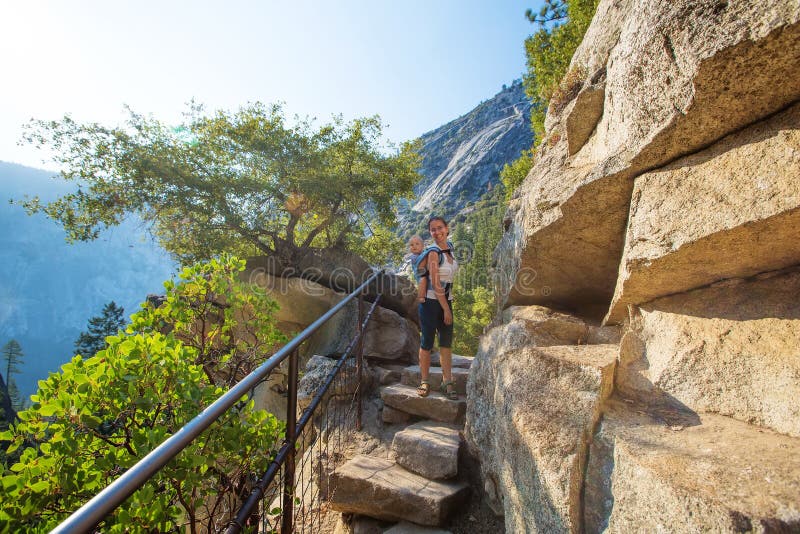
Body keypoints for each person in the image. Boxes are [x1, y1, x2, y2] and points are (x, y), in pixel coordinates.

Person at [416, 216, 458, 400]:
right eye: (433, 229)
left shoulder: (450, 248)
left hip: (445, 300)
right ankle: (424, 381)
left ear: (447, 228)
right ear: (430, 233)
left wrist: (449, 302)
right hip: (431, 303)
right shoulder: (433, 253)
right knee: (427, 342)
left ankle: (446, 381)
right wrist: (446, 309)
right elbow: (435, 283)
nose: (437, 232)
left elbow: (448, 279)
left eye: (439, 228)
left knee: (446, 343)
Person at [406, 235, 429, 303]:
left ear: (422, 246)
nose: (414, 246)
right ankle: (421, 297)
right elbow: (420, 259)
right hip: (420, 275)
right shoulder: (414, 257)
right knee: (422, 282)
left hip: (424, 272)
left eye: (417, 244)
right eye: (411, 245)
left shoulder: (422, 253)